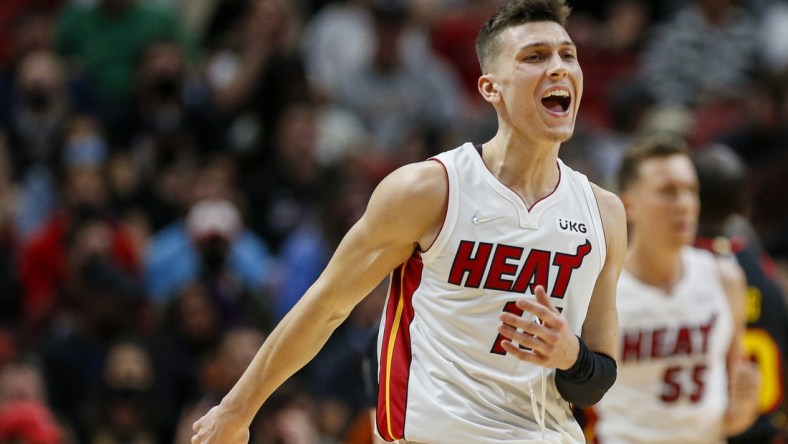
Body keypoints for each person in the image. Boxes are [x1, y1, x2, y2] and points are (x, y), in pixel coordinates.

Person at [192, 0, 627, 442]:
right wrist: (236, 409)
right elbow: (326, 306)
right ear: (490, 88)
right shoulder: (430, 190)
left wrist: (571, 355)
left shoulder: (603, 213)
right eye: (535, 57)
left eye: (567, 55)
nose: (559, 68)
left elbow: (596, 380)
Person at [590, 135, 761, 443]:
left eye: (691, 191)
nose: (683, 204)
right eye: (668, 192)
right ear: (629, 205)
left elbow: (732, 418)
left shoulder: (726, 278)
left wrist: (746, 406)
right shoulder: (602, 287)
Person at [692, 144, 788, 443]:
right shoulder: (765, 270)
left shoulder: (680, 272)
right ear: (745, 206)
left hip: (711, 429)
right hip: (767, 427)